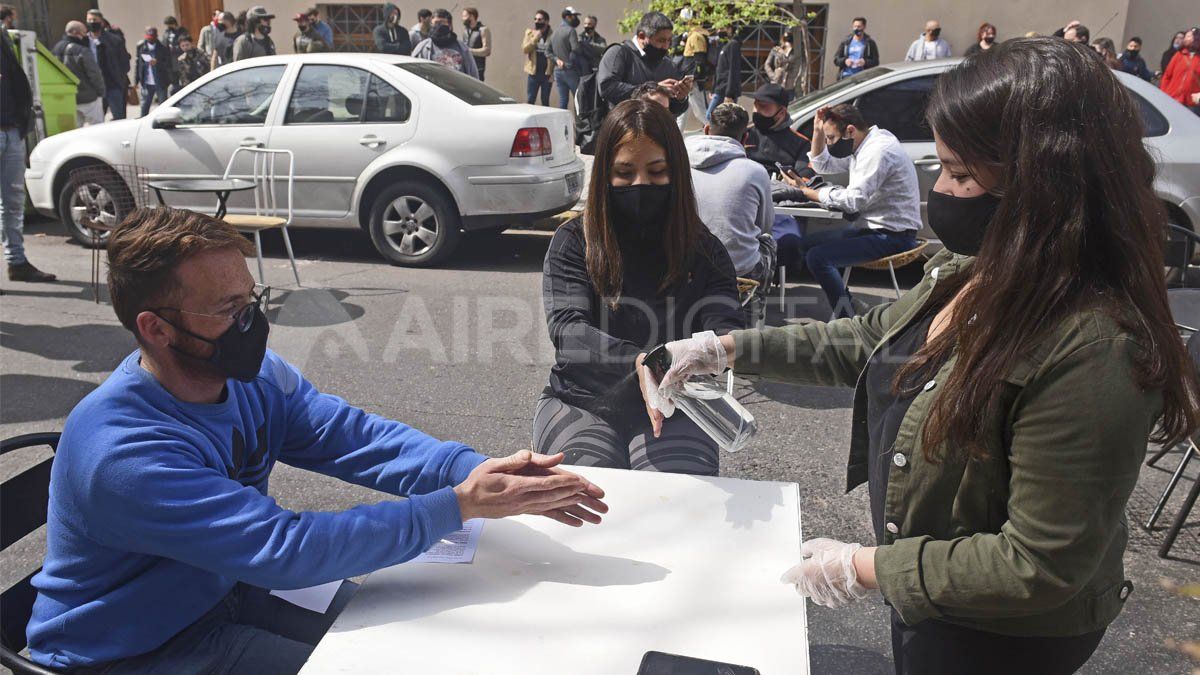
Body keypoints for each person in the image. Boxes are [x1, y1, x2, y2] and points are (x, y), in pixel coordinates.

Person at [649, 36, 1199, 675]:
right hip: (937, 603)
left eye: (961, 175)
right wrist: (724, 346)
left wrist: (864, 567)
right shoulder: (978, 272)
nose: (940, 190)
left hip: (1005, 638)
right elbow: (867, 342)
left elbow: (1040, 563)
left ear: (1048, 188)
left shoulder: (1094, 345)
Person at [24, 207, 607, 672]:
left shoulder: (244, 375)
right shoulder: (124, 451)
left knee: (422, 638)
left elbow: (349, 436)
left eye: (250, 298)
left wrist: (474, 470)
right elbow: (286, 550)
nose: (251, 320)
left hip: (222, 590)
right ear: (155, 327)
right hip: (135, 650)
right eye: (228, 308)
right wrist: (458, 505)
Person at [535, 99, 743, 476]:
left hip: (677, 403)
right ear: (604, 175)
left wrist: (707, 351)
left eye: (657, 171)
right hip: (584, 399)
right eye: (625, 172)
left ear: (676, 172)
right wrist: (641, 362)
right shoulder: (574, 241)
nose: (640, 184)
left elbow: (727, 326)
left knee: (674, 505)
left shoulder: (704, 249)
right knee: (585, 497)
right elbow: (568, 330)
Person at [780, 103, 921, 317]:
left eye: (831, 138)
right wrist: (818, 131)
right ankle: (849, 305)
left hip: (893, 236)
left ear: (850, 131)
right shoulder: (864, 145)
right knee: (802, 245)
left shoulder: (877, 151)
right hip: (873, 229)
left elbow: (853, 201)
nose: (829, 144)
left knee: (817, 258)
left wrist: (810, 193)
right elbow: (822, 165)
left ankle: (846, 318)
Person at [687, 102, 774, 283]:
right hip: (739, 270)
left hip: (688, 267)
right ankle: (753, 307)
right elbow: (765, 226)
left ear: (706, 130)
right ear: (745, 138)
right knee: (768, 242)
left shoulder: (679, 163)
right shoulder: (755, 172)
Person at [1, 6, 55, 282]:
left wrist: (22, 124)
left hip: (10, 129)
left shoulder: (3, 37)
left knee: (13, 202)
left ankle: (17, 262)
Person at [597, 11, 689, 118]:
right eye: (661, 40)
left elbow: (675, 109)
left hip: (657, 130)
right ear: (641, 36)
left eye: (669, 41)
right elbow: (606, 87)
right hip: (625, 128)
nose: (666, 46)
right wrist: (652, 89)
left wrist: (681, 98)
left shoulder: (668, 64)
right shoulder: (619, 53)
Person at [743, 83, 808, 174]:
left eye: (763, 106)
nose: (756, 110)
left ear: (782, 112)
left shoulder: (801, 144)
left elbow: (803, 180)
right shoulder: (743, 134)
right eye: (755, 105)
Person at [54, 21, 106, 127]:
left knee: (75, 131)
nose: (85, 35)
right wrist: (101, 92)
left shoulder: (56, 49)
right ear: (74, 32)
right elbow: (94, 74)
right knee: (97, 128)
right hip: (89, 98)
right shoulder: (82, 50)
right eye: (83, 32)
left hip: (68, 98)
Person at [86, 9, 130, 121]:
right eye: (89, 20)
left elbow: (124, 62)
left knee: (119, 118)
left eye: (94, 20)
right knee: (95, 121)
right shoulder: (83, 41)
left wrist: (120, 78)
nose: (92, 22)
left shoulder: (114, 40)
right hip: (93, 87)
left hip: (112, 84)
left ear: (101, 22)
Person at [412, 9, 479, 79]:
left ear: (450, 26)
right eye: (436, 23)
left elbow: (473, 75)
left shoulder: (462, 49)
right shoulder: (423, 48)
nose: (439, 26)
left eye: (442, 23)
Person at [705, 23, 742, 120]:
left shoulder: (733, 44)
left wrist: (729, 94)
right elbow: (718, 68)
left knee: (711, 115)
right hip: (719, 87)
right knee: (718, 118)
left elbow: (733, 69)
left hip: (726, 89)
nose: (719, 31)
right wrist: (713, 89)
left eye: (722, 28)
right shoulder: (723, 45)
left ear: (730, 29)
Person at [549, 7, 583, 109]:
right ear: (567, 17)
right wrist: (570, 62)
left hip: (558, 72)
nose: (576, 18)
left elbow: (547, 51)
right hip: (570, 71)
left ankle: (561, 123)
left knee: (563, 101)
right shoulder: (571, 31)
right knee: (578, 99)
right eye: (574, 16)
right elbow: (576, 49)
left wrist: (556, 60)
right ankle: (580, 124)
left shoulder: (555, 32)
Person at [134, 27, 172, 117]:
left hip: (160, 81)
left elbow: (168, 64)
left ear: (156, 36)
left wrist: (157, 62)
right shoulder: (141, 47)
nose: (150, 40)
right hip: (147, 82)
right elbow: (138, 64)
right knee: (144, 106)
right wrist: (136, 81)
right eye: (149, 37)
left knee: (163, 106)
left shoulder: (163, 47)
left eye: (152, 37)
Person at [1161, 28, 1200, 109]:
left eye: (1189, 36)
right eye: (1186, 36)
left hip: (1190, 105)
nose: (1185, 38)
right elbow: (1167, 76)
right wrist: (1164, 94)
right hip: (1171, 99)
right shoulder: (1179, 55)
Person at [523, 10, 554, 106]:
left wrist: (553, 74)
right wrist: (535, 38)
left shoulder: (553, 35)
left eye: (540, 19)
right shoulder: (529, 33)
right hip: (533, 73)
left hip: (546, 74)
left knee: (545, 101)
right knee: (530, 99)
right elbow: (525, 49)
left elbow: (556, 54)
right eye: (535, 19)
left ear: (546, 21)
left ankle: (545, 121)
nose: (537, 21)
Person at [461, 7, 491, 81]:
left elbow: (487, 51)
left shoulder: (483, 30)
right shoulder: (465, 30)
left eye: (464, 16)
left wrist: (468, 51)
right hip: (465, 67)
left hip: (478, 68)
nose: (462, 19)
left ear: (472, 16)